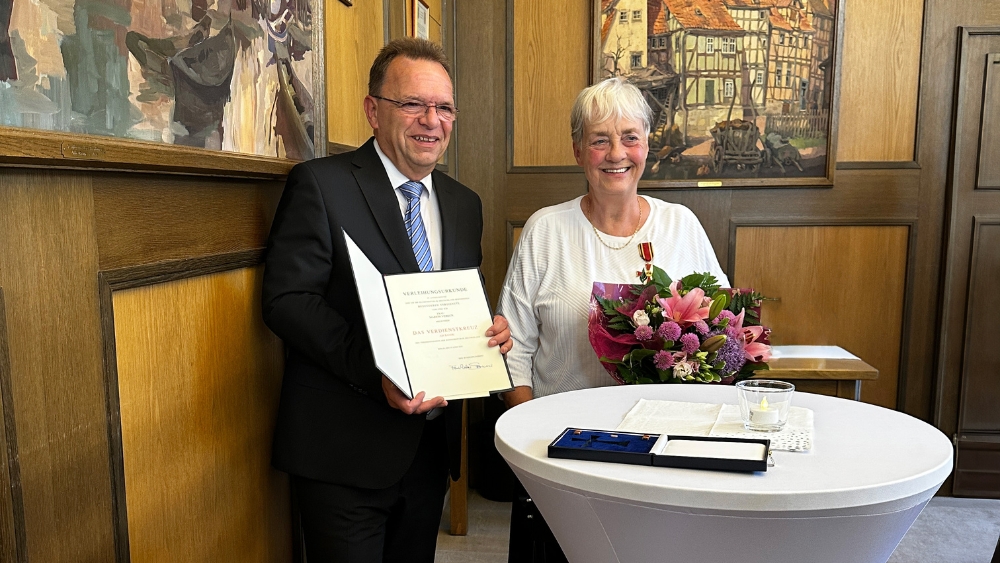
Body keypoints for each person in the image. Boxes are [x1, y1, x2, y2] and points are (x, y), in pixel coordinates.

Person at [262, 37, 512, 563]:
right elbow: (288, 299)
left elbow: (461, 301)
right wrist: (377, 373)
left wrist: (489, 333)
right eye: (413, 104)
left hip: (428, 453)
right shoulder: (321, 185)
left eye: (443, 107)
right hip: (342, 453)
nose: (431, 120)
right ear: (374, 111)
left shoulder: (465, 204)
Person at [496, 77, 729, 561]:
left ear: (647, 146)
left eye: (629, 137)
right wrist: (532, 445)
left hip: (668, 455)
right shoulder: (545, 230)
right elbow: (512, 350)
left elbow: (721, 330)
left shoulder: (681, 225)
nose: (615, 153)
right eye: (599, 139)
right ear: (578, 150)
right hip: (563, 452)